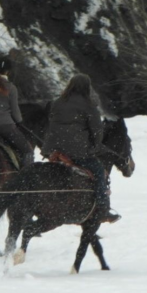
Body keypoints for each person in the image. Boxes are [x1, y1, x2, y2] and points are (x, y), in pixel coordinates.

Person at [41, 73, 119, 223]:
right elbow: (96, 130)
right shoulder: (88, 105)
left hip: (56, 149)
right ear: (86, 88)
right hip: (78, 151)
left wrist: (48, 148)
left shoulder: (57, 103)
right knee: (98, 170)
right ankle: (102, 208)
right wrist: (96, 146)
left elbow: (51, 125)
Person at [0, 57, 34, 167]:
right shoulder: (10, 87)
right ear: (8, 71)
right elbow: (15, 111)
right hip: (6, 126)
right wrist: (19, 121)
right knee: (27, 151)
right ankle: (27, 177)